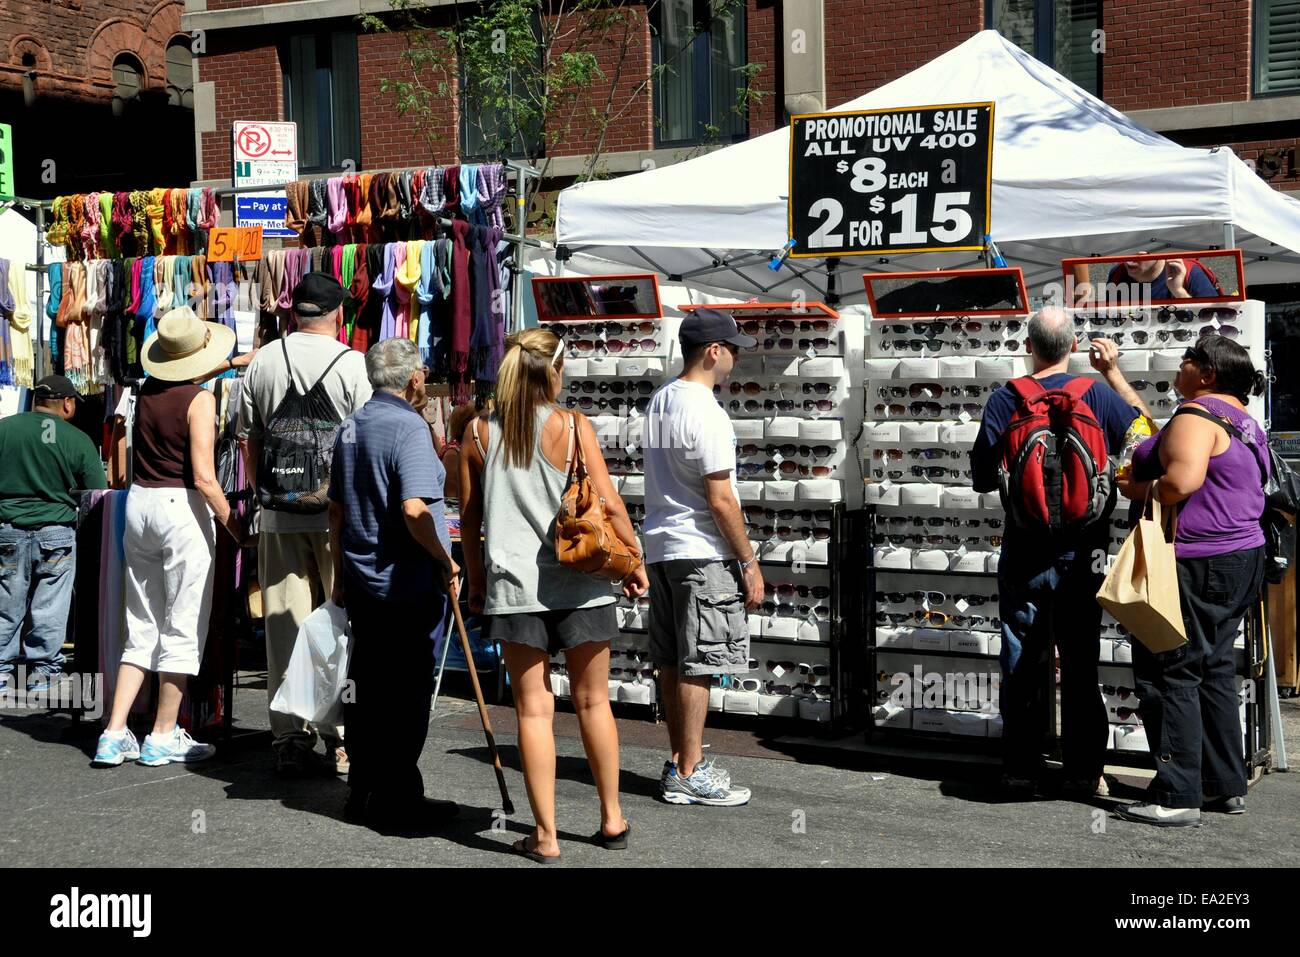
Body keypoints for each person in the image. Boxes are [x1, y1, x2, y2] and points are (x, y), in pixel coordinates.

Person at [459, 328, 647, 863]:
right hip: (582, 579)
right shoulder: (573, 424)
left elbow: (471, 520)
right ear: (553, 371)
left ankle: (546, 836)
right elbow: (607, 504)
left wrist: (476, 583)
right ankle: (611, 817)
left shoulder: (477, 433)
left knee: (534, 712)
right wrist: (633, 562)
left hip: (514, 585)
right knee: (593, 701)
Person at [969, 307, 1151, 797]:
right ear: (1073, 347)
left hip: (1024, 549)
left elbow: (984, 478)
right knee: (1080, 660)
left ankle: (1022, 768)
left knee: (1022, 659)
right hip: (1084, 553)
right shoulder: (1098, 397)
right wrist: (1112, 373)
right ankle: (1084, 771)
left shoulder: (1006, 398)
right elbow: (1148, 442)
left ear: (1029, 345)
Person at [1114, 335, 1269, 827]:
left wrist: (1135, 487)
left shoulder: (1195, 416)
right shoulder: (1242, 419)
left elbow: (1181, 483)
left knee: (1170, 669)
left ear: (1206, 374)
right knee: (1215, 668)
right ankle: (1223, 784)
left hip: (1197, 558)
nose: (1178, 368)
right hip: (1241, 555)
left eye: (1187, 361)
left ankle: (1177, 793)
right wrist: (1113, 376)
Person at [93, 307, 245, 767]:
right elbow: (204, 476)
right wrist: (234, 526)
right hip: (182, 509)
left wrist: (231, 363)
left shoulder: (145, 391)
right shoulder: (201, 401)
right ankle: (163, 733)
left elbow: (185, 374)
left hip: (141, 502)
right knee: (182, 624)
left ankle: (114, 731)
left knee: (140, 624)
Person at [239, 273, 372, 777]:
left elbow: (249, 441)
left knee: (282, 624)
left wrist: (262, 495)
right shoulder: (353, 365)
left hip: (277, 514)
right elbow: (362, 445)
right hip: (336, 516)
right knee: (340, 625)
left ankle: (288, 736)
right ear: (339, 314)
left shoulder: (264, 361)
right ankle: (339, 735)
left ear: (293, 312)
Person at [327, 336, 459, 830]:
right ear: (413, 379)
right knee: (404, 693)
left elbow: (336, 509)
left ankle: (363, 788)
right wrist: (443, 559)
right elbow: (414, 508)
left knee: (366, 687)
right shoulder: (408, 427)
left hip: (363, 580)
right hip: (403, 584)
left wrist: (340, 574)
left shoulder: (351, 427)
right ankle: (398, 797)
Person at [643, 307, 760, 807]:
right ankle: (690, 768)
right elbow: (721, 499)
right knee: (701, 662)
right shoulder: (706, 410)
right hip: (700, 551)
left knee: (673, 660)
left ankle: (679, 762)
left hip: (662, 546)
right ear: (713, 351)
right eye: (732, 349)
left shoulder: (660, 401)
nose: (735, 358)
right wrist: (748, 561)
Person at [0, 376, 107, 693]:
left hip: (7, 530)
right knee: (50, 605)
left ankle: (2, 670)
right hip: (56, 533)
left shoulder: (5, 429)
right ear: (67, 403)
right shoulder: (76, 439)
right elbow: (97, 493)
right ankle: (43, 672)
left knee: (6, 602)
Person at [1106, 254, 1220, 301]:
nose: (1129, 260)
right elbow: (1107, 318)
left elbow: (1219, 322)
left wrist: (1179, 292)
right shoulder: (1117, 273)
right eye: (1126, 252)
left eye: (1138, 254)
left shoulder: (1192, 275)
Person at [430, 401, 476, 504]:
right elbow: (452, 498)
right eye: (478, 419)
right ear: (467, 423)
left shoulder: (465, 448)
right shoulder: (453, 454)